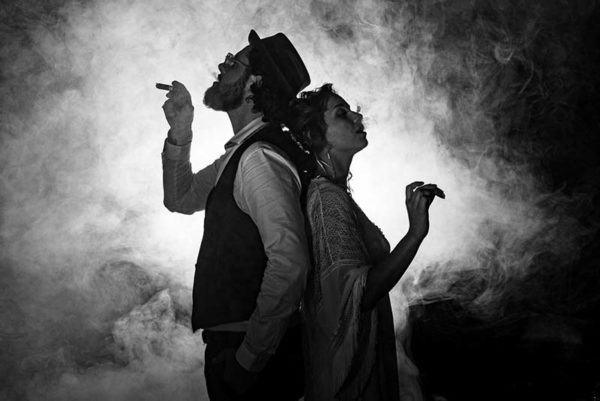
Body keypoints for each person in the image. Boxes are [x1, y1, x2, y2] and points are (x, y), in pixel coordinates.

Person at [160, 30, 312, 400]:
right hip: (243, 348)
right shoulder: (245, 152)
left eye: (234, 63)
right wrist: (181, 128)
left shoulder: (259, 158)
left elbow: (290, 263)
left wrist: (248, 360)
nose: (222, 65)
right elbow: (181, 198)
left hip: (253, 357)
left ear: (255, 83)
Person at [289, 84, 444, 400]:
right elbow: (360, 293)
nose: (357, 117)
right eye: (341, 114)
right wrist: (415, 233)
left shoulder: (334, 193)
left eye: (352, 111)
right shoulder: (327, 198)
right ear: (315, 135)